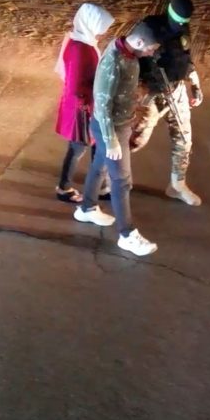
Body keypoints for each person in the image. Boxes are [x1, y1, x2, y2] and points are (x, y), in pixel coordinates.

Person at [75, 21, 161, 257]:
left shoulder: (128, 52)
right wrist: (111, 140)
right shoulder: (114, 61)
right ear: (140, 42)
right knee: (122, 180)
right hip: (111, 128)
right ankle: (127, 235)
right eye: (152, 48)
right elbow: (102, 104)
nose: (152, 52)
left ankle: (87, 207)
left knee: (99, 167)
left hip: (120, 124)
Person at [131, 0, 205, 206]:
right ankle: (106, 176)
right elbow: (128, 59)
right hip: (151, 93)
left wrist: (195, 84)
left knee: (184, 138)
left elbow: (185, 59)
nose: (180, 26)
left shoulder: (183, 29)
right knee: (135, 140)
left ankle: (177, 185)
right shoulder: (148, 29)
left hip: (175, 89)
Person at [53, 3, 114, 202]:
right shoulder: (82, 49)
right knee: (79, 148)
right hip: (84, 108)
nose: (101, 34)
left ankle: (101, 186)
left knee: (92, 146)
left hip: (83, 106)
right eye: (100, 29)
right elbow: (79, 85)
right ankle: (65, 188)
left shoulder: (78, 41)